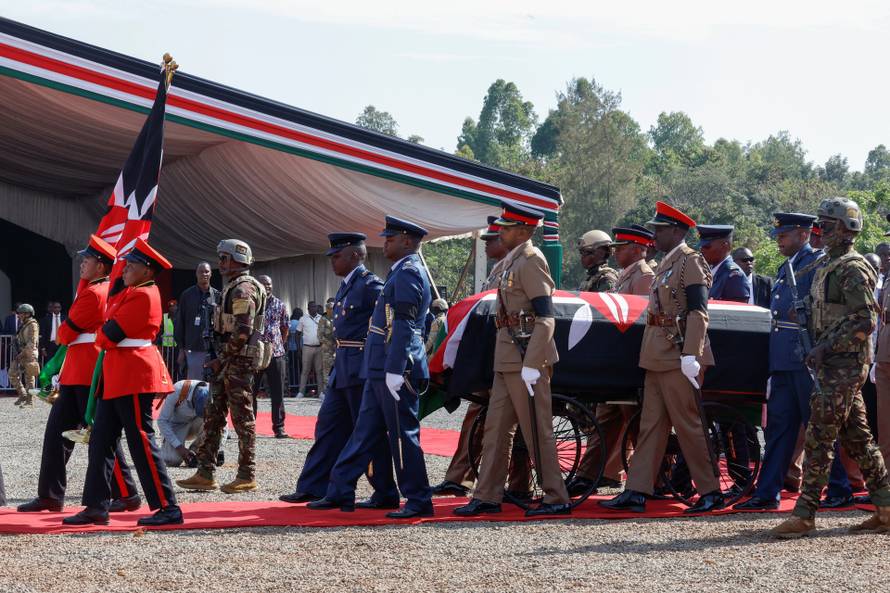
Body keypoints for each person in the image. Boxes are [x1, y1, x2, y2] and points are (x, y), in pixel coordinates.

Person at [770, 197, 890, 538]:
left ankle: (804, 514)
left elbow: (864, 319)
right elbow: (830, 307)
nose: (820, 231)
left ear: (844, 229)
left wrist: (826, 345)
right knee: (858, 439)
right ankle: (886, 508)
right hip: (833, 363)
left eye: (826, 225)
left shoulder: (853, 267)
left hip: (844, 364)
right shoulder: (827, 264)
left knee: (819, 436)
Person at [601, 201, 724, 514]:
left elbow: (698, 310)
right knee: (651, 426)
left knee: (689, 425)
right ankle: (637, 489)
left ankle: (711, 491)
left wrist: (691, 353)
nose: (654, 235)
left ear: (677, 231)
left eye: (660, 230)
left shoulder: (690, 261)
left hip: (679, 353)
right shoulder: (667, 264)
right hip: (658, 354)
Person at [309, 216, 433, 518]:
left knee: (402, 435)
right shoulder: (399, 272)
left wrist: (396, 368)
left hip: (395, 368)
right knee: (364, 433)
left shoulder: (408, 272)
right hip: (378, 366)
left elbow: (403, 325)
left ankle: (418, 499)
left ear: (407, 241)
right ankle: (340, 490)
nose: (385, 243)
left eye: (391, 239)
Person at [455, 203, 571, 518]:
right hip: (508, 356)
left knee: (537, 430)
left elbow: (546, 316)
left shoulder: (531, 261)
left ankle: (556, 496)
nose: (500, 232)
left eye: (506, 228)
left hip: (525, 356)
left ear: (523, 231)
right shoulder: (513, 261)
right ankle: (487, 495)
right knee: (495, 429)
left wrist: (533, 363)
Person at [735, 213, 853, 511]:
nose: (779, 241)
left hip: (806, 360)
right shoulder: (788, 265)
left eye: (784, 236)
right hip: (784, 359)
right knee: (779, 429)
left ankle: (839, 488)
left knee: (819, 427)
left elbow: (826, 308)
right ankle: (768, 492)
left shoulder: (817, 263)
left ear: (803, 234)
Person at [17, 236, 140, 515]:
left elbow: (64, 333)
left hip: (85, 371)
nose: (82, 264)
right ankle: (50, 495)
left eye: (87, 260)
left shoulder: (94, 293)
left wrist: (65, 335)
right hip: (78, 371)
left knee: (99, 435)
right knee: (60, 435)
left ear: (101, 266)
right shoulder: (99, 290)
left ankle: (127, 493)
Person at [63, 238, 181, 527]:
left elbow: (108, 335)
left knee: (141, 441)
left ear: (147, 270)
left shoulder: (144, 295)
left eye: (132, 266)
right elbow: (106, 330)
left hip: (133, 376)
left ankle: (168, 507)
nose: (125, 269)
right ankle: (96, 506)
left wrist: (103, 334)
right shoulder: (133, 292)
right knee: (100, 441)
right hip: (118, 375)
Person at [280, 233, 398, 506]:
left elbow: (389, 324)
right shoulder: (347, 286)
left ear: (355, 255)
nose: (333, 261)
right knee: (328, 428)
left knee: (367, 433)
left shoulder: (371, 285)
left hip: (361, 367)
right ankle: (314, 486)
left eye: (337, 256)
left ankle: (384, 492)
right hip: (342, 366)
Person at [432, 215, 518, 497]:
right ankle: (459, 478)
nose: (486, 245)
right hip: (489, 357)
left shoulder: (515, 268)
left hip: (504, 356)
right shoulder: (498, 270)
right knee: (477, 416)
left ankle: (517, 484)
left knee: (508, 424)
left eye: (491, 240)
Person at [567, 225, 656, 496]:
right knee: (605, 420)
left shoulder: (643, 276)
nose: (614, 253)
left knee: (636, 425)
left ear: (636, 249)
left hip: (631, 364)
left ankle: (655, 479)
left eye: (620, 248)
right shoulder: (626, 275)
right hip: (617, 364)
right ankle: (588, 476)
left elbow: (641, 321)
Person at [177, 239, 266, 495]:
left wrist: (220, 358)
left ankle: (246, 475)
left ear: (238, 260)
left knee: (242, 420)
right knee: (213, 416)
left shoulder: (243, 289)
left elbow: (242, 331)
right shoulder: (232, 287)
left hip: (237, 364)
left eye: (224, 258)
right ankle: (205, 472)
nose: (220, 263)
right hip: (227, 363)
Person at [253, 274, 290, 437]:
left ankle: (279, 427)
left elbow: (285, 327)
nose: (266, 286)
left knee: (278, 392)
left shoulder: (280, 304)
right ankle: (249, 427)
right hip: (255, 354)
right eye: (263, 284)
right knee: (251, 392)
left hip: (276, 354)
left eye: (269, 284)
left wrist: (278, 343)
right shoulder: (252, 304)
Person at [157, 380, 221, 467]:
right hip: (176, 426)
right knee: (173, 460)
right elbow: (162, 421)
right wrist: (179, 448)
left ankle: (196, 451)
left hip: (195, 423)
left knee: (213, 421)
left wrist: (216, 447)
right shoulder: (178, 390)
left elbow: (222, 422)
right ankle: (161, 451)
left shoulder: (212, 392)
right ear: (193, 398)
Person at [174, 262, 219, 381]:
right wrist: (181, 349)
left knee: (213, 386)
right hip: (192, 349)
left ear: (211, 274)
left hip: (214, 351)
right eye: (201, 272)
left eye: (207, 271)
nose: (204, 274)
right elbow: (179, 323)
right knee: (194, 385)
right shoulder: (187, 295)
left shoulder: (217, 296)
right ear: (196, 274)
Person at [697, 225, 751, 303]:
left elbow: (738, 310)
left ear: (725, 246)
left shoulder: (734, 277)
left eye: (707, 247)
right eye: (701, 247)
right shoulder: (713, 272)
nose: (702, 250)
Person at [10, 303, 40, 407]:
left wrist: (22, 354)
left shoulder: (32, 325)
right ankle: (23, 394)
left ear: (28, 314)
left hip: (29, 354)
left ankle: (30, 400)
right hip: (21, 353)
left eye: (21, 313)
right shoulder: (23, 324)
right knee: (12, 373)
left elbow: (31, 342)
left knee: (29, 378)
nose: (19, 315)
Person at [295, 301, 323, 398]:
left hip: (319, 348)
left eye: (315, 306)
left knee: (319, 371)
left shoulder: (321, 318)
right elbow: (297, 334)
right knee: (305, 370)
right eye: (312, 307)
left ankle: (321, 392)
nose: (314, 308)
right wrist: (299, 349)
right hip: (307, 348)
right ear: (308, 309)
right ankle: (301, 392)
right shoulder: (303, 319)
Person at [317, 297, 336, 393]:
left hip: (337, 349)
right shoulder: (323, 319)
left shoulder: (337, 318)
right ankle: (326, 392)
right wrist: (329, 343)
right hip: (327, 350)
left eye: (333, 308)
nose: (331, 310)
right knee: (327, 371)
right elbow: (320, 336)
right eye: (330, 308)